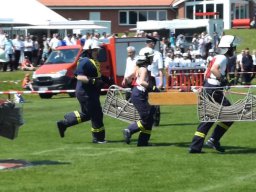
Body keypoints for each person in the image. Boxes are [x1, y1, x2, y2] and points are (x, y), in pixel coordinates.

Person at [189, 35, 238, 153]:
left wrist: (206, 86)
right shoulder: (223, 58)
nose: (234, 49)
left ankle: (196, 146)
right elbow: (213, 70)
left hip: (210, 88)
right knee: (230, 114)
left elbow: (207, 73)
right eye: (233, 47)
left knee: (209, 118)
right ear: (228, 48)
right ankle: (213, 140)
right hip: (213, 90)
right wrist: (223, 80)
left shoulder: (215, 57)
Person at [56, 40, 106, 144]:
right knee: (96, 114)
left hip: (89, 92)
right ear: (89, 51)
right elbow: (79, 76)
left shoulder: (92, 61)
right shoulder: (85, 61)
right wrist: (93, 81)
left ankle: (65, 122)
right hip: (86, 93)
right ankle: (98, 138)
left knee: (87, 114)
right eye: (96, 50)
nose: (98, 52)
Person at [122, 47, 157, 146]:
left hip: (137, 94)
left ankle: (143, 142)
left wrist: (127, 78)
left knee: (150, 118)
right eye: (151, 57)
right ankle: (129, 130)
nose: (152, 59)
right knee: (146, 119)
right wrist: (153, 88)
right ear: (146, 58)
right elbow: (141, 82)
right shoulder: (144, 69)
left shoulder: (138, 67)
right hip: (139, 95)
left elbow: (130, 76)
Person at [145, 35, 163, 126]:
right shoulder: (144, 52)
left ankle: (156, 120)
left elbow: (160, 70)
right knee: (146, 100)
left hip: (154, 79)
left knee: (155, 101)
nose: (147, 44)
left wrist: (160, 83)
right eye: (147, 42)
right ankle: (148, 119)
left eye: (149, 42)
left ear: (153, 44)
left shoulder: (157, 54)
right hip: (146, 79)